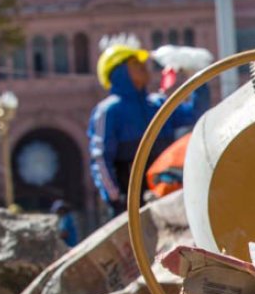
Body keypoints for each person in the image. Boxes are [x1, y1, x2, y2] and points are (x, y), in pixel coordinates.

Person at [88, 37, 210, 218]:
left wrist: (197, 79)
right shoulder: (108, 111)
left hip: (166, 192)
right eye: (136, 63)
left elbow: (195, 113)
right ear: (119, 71)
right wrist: (115, 198)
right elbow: (100, 159)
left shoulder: (157, 104)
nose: (144, 67)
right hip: (130, 202)